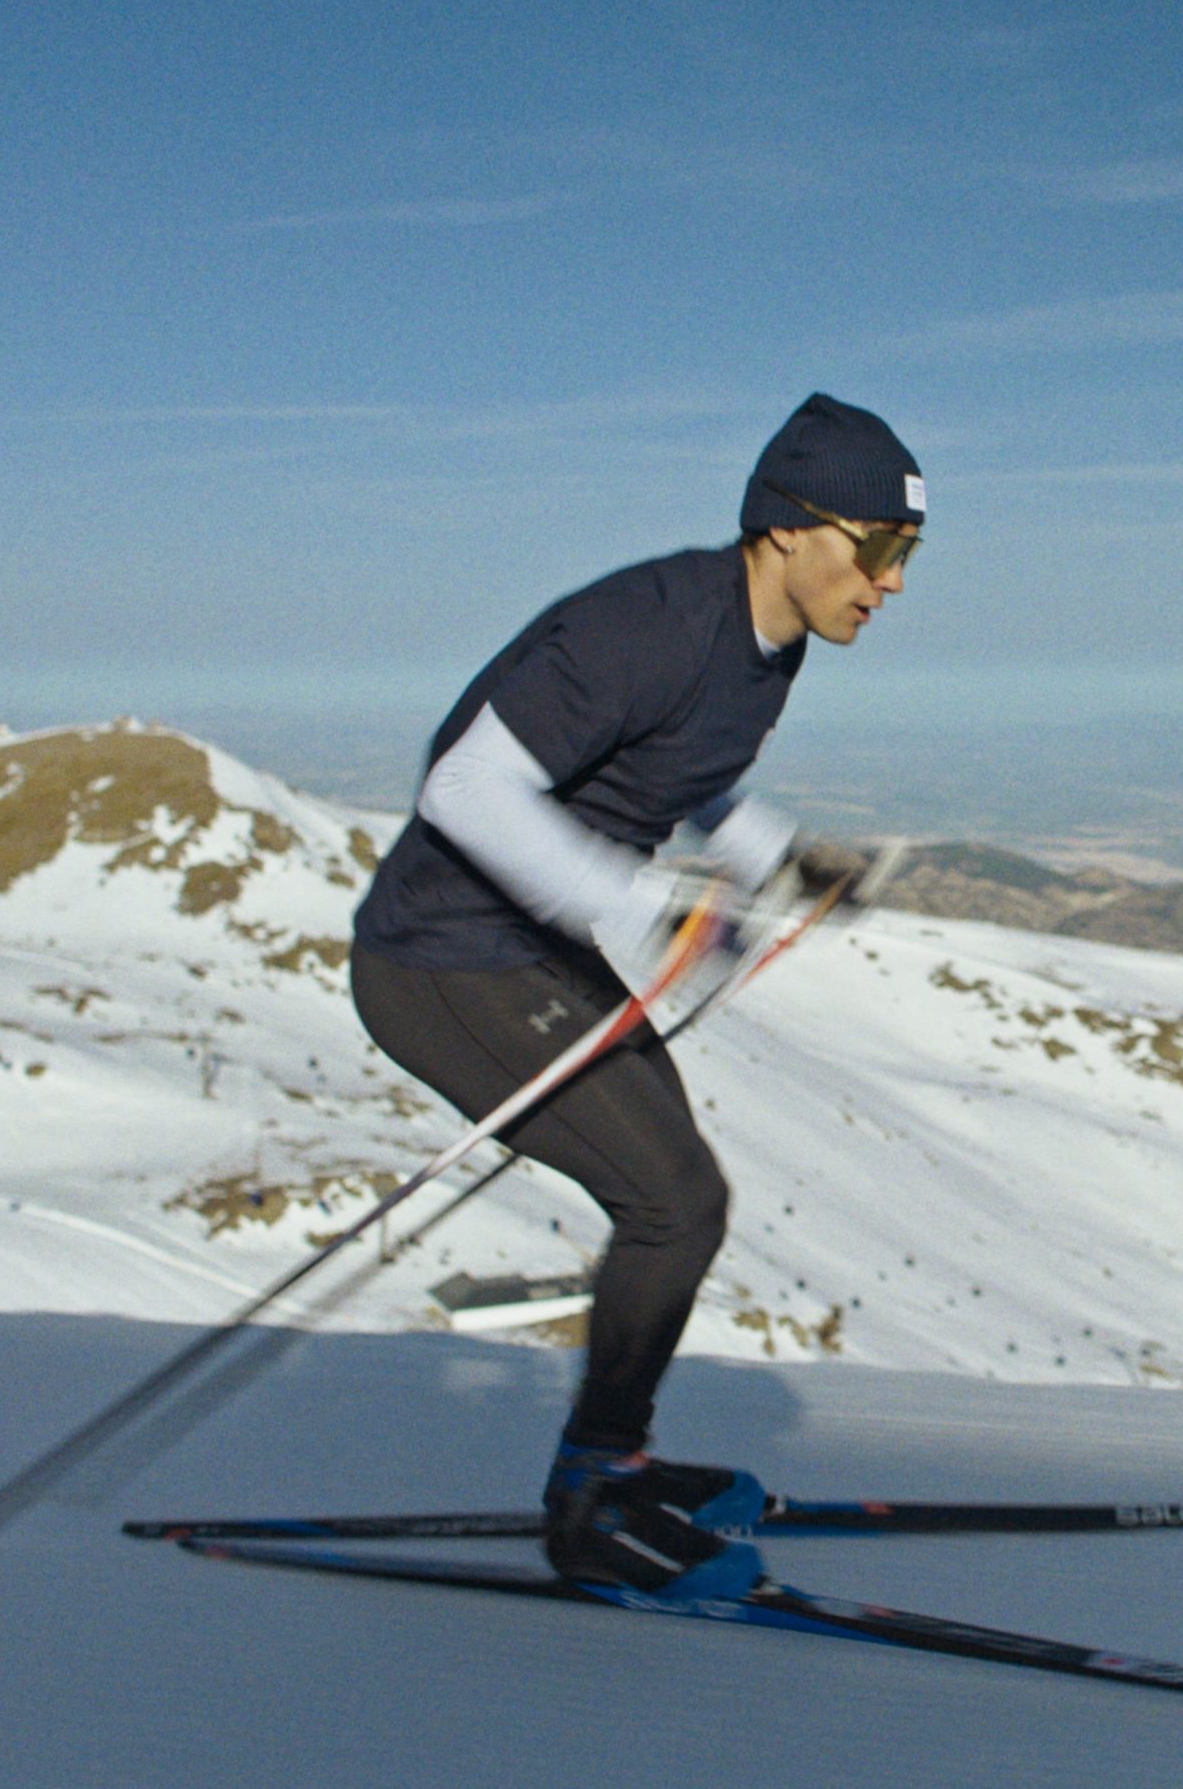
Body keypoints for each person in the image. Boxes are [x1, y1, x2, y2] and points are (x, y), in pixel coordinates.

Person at [346, 393, 924, 1596]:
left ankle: (611, 1458)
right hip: (439, 960)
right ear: (788, 529)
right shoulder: (644, 624)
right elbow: (465, 790)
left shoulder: (769, 646)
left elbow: (683, 769)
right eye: (879, 548)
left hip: (528, 952)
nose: (894, 582)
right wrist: (635, 907)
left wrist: (782, 857)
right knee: (675, 1202)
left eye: (907, 554)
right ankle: (590, 1497)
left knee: (678, 1198)